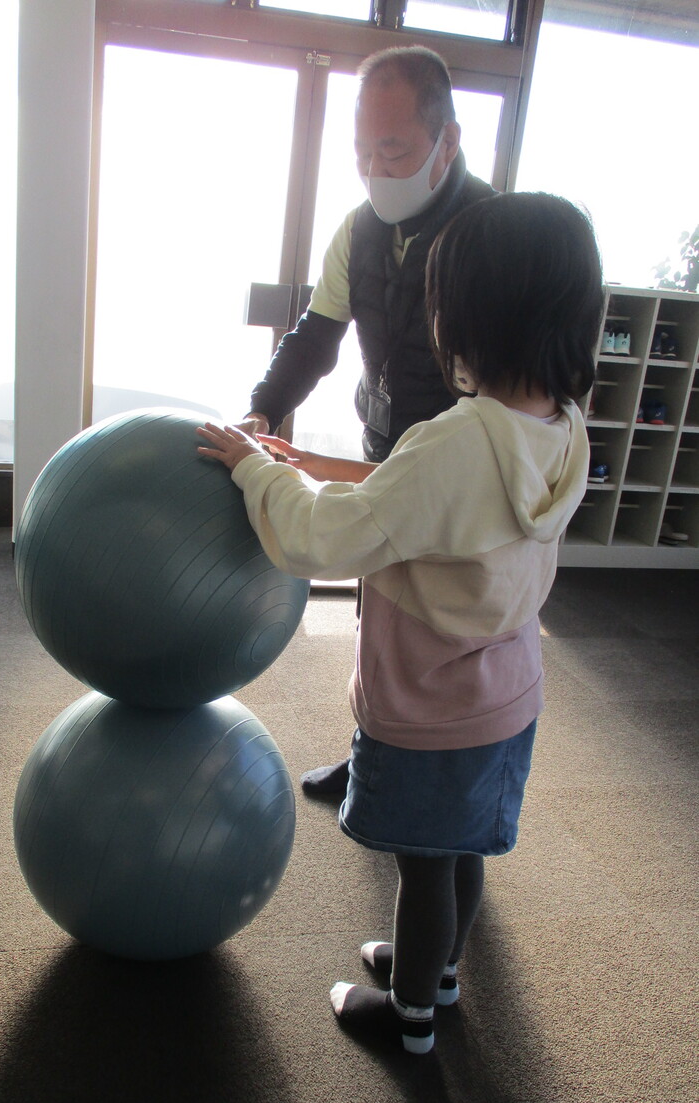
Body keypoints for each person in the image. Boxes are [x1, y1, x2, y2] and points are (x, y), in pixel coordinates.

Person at [198, 190, 603, 1053]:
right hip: (505, 692)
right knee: (462, 855)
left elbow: (322, 536)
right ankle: (443, 970)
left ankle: (411, 1016)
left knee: (422, 864)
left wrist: (258, 475)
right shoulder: (563, 429)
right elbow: (406, 503)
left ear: (465, 319)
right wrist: (304, 463)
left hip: (430, 706)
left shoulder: (454, 443)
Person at [239, 45, 495, 802]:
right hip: (386, 441)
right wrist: (263, 405)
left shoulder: (492, 236)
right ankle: (373, 754)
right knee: (377, 611)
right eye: (363, 153)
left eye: (396, 151)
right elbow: (318, 333)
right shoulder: (359, 230)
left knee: (444, 630)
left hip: (456, 463)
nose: (377, 170)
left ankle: (443, 786)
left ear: (447, 141)